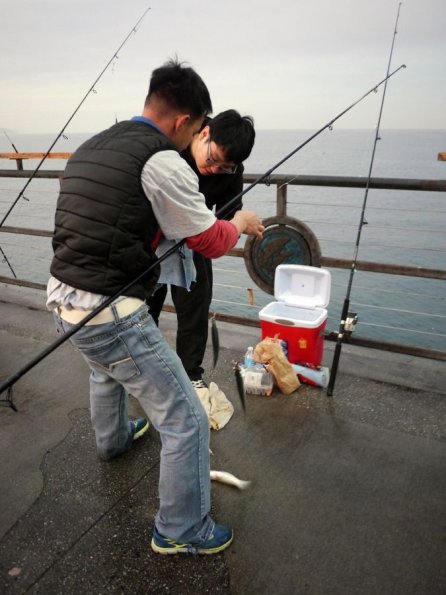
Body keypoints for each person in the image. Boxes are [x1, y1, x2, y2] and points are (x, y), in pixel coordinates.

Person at [46, 59, 264, 555]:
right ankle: (182, 528)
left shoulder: (94, 144)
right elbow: (208, 239)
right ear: (189, 121)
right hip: (109, 310)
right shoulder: (162, 159)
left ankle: (114, 440)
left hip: (61, 299)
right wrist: (242, 221)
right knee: (184, 418)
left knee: (107, 372)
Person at [147, 110, 255, 392]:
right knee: (146, 308)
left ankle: (191, 374)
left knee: (196, 308)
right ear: (204, 134)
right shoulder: (176, 145)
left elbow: (229, 214)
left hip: (194, 238)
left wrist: (238, 225)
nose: (215, 169)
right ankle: (145, 369)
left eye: (225, 167)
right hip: (153, 240)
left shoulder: (232, 170)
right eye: (212, 159)